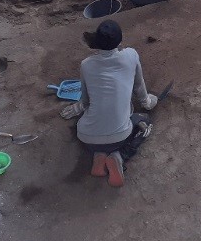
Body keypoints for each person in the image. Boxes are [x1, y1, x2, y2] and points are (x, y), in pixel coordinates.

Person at [59, 20, 158, 187]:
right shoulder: (131, 55)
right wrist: (149, 101)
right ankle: (120, 156)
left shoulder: (86, 65)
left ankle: (98, 155)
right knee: (145, 122)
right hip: (120, 137)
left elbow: (86, 101)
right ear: (120, 41)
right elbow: (139, 88)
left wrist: (76, 108)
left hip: (86, 137)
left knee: (92, 119)